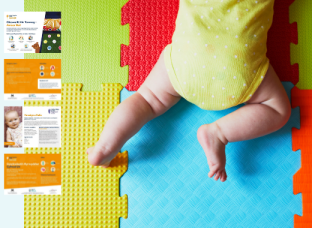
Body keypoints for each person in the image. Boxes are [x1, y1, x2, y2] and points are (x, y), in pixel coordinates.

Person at [87, 0, 291, 182]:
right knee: (277, 109)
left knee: (147, 100)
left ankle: (105, 147)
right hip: (238, 71)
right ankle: (218, 133)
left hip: (186, 63)